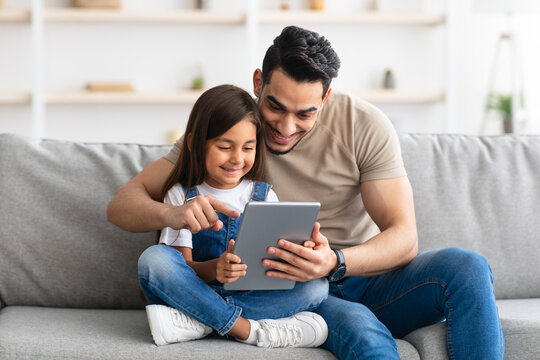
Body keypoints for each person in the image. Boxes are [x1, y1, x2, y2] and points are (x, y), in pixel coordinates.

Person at [108, 26, 504, 359]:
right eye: (276, 107)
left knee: (467, 267)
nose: (284, 126)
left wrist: (334, 261)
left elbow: (404, 238)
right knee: (362, 331)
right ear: (258, 82)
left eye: (305, 114)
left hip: (358, 274)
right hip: (298, 290)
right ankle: (233, 320)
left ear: (325, 98)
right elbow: (124, 204)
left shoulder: (364, 125)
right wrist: (170, 215)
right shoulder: (234, 132)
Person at [138, 84, 329, 349]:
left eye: (248, 148)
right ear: (194, 143)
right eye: (225, 147)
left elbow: (275, 268)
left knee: (318, 285)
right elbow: (181, 269)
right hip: (195, 290)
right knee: (154, 260)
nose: (237, 159)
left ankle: (199, 321)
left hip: (247, 295)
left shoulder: (264, 195)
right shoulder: (180, 196)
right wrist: (215, 268)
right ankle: (246, 329)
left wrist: (299, 253)